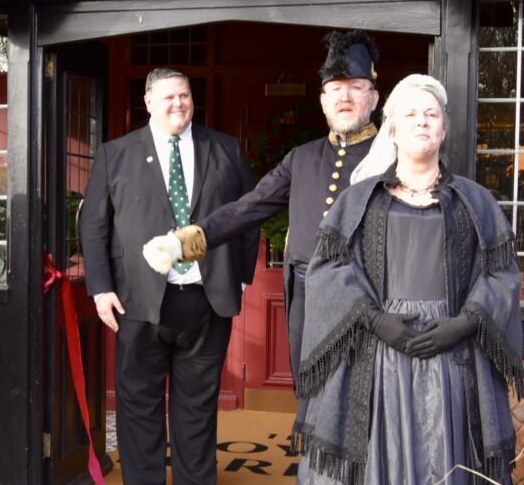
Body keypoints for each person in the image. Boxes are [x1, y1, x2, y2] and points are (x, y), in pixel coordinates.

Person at [288, 74, 524, 485]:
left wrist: (465, 322)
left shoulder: (475, 204)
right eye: (410, 114)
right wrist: (375, 320)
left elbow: (501, 277)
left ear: (444, 130)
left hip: (450, 373)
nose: (422, 122)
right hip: (379, 372)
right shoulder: (359, 200)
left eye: (432, 114)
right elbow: (327, 270)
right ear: (391, 128)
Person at [143, 30, 382, 380]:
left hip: (369, 295)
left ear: (374, 99)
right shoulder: (301, 158)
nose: (344, 97)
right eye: (335, 89)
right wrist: (182, 243)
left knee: (366, 394)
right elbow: (248, 207)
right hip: (307, 294)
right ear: (323, 100)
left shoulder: (393, 157)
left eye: (356, 87)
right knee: (311, 388)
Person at [80, 67, 259, 485]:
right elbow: (94, 225)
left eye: (184, 95)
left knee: (197, 401)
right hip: (138, 301)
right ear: (147, 102)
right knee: (138, 400)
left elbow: (247, 215)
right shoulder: (115, 154)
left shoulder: (224, 149)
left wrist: (238, 277)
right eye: (168, 97)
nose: (178, 103)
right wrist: (101, 289)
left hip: (205, 297)